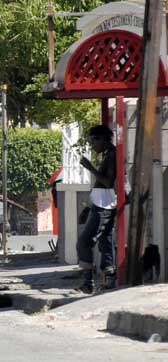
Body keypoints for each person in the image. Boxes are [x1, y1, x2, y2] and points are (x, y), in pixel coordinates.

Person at [76, 125, 117, 294]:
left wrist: (90, 167)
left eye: (93, 141)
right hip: (100, 204)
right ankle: (107, 279)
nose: (92, 146)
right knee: (103, 240)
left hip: (105, 206)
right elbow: (100, 185)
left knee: (85, 242)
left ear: (102, 139)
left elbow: (108, 183)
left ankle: (89, 282)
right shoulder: (106, 155)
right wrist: (88, 207)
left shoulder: (112, 155)